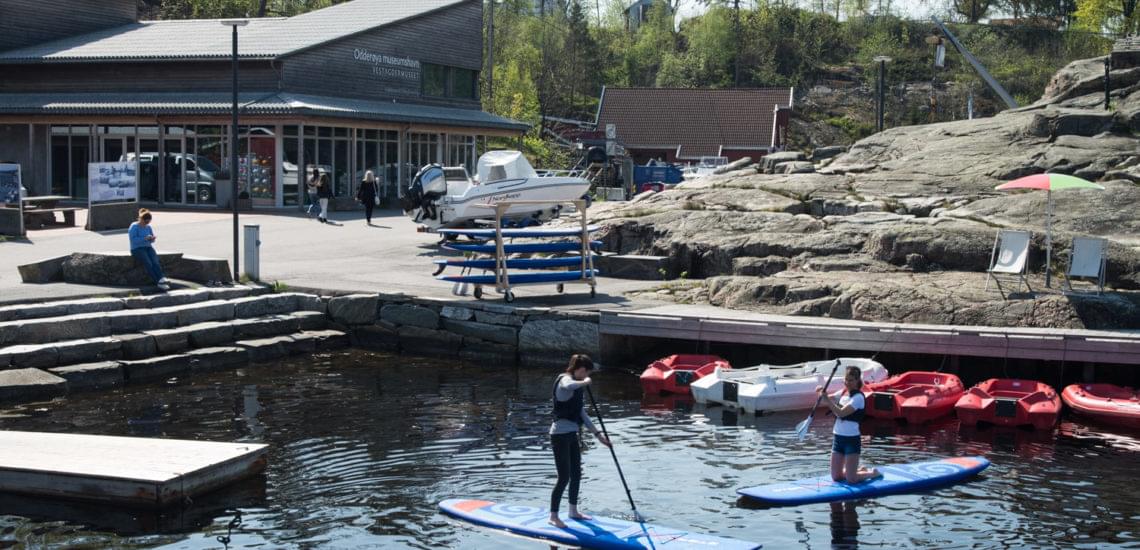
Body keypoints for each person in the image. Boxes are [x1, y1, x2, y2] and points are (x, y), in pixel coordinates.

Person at [548, 354, 611, 528]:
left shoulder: (578, 385)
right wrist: (585, 382)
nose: (586, 376)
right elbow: (570, 385)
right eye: (585, 372)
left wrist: (599, 436)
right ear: (580, 369)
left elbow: (582, 414)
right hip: (559, 436)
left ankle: (573, 511)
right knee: (564, 477)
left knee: (576, 473)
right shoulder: (565, 380)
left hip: (572, 435)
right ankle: (553, 516)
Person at [817, 366, 880, 484]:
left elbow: (841, 413)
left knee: (851, 479)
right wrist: (821, 392)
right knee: (836, 477)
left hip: (851, 440)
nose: (848, 383)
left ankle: (873, 473)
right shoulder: (843, 393)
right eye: (846, 380)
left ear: (857, 381)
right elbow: (824, 399)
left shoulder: (858, 398)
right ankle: (859, 470)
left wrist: (827, 399)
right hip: (838, 439)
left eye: (851, 380)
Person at [128, 208, 170, 291]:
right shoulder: (134, 226)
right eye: (145, 221)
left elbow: (151, 239)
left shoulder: (148, 227)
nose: (146, 223)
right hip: (137, 249)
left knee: (155, 261)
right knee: (148, 263)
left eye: (148, 222)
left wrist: (152, 239)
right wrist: (145, 238)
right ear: (141, 219)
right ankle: (158, 281)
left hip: (148, 247)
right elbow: (133, 240)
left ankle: (161, 278)